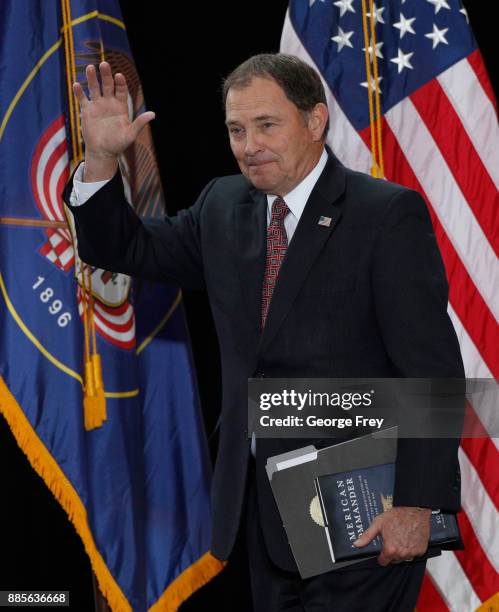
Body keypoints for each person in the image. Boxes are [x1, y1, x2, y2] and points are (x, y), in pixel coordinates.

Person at [64, 54, 464, 611]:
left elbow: (431, 370)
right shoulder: (223, 205)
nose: (248, 145)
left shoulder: (385, 215)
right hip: (262, 512)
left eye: (266, 125)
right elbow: (121, 248)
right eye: (235, 129)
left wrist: (417, 506)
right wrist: (104, 158)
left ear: (316, 121)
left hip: (365, 510)